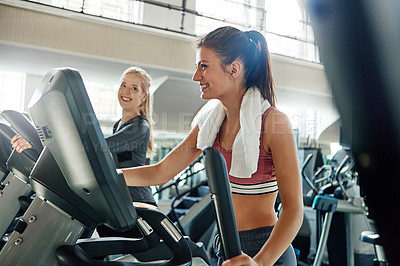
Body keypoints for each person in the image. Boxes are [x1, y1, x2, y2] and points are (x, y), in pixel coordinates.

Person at [121, 26, 303, 265]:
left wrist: (260, 262)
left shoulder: (273, 123)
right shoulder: (210, 124)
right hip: (225, 247)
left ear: (233, 69)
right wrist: (106, 177)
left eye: (203, 66)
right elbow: (161, 171)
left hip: (266, 250)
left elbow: (293, 211)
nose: (196, 76)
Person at [11, 66, 156, 206]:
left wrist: (39, 140)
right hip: (120, 198)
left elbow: (98, 148)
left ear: (143, 96)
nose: (126, 91)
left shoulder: (139, 127)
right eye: (123, 85)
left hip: (138, 201)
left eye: (134, 88)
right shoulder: (119, 124)